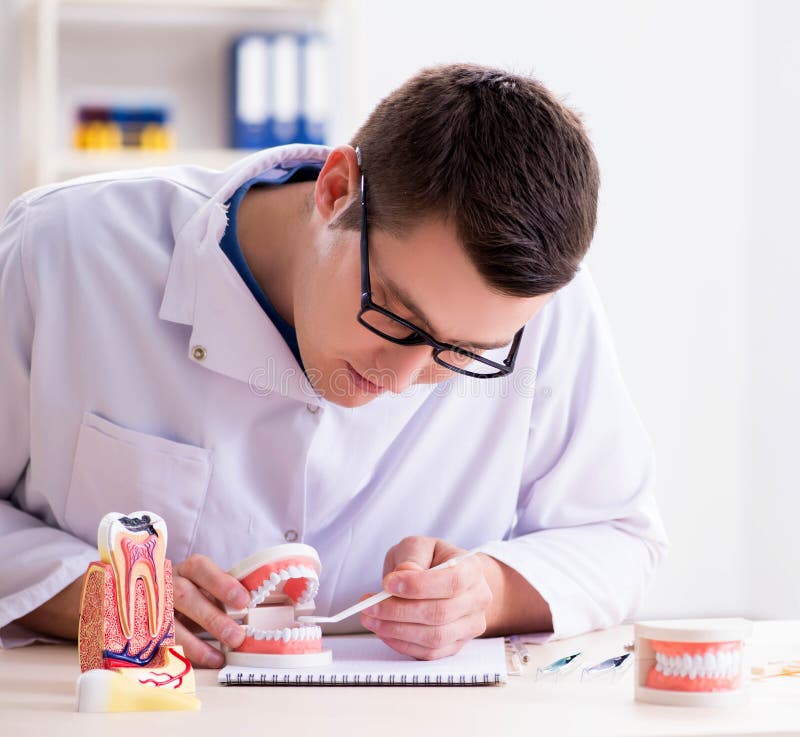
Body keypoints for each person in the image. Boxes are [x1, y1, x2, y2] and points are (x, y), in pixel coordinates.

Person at [0, 64, 667, 667]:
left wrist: (487, 591)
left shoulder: (535, 311)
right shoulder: (60, 255)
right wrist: (101, 595)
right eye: (399, 318)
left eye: (464, 354)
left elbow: (618, 534)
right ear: (337, 188)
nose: (403, 379)